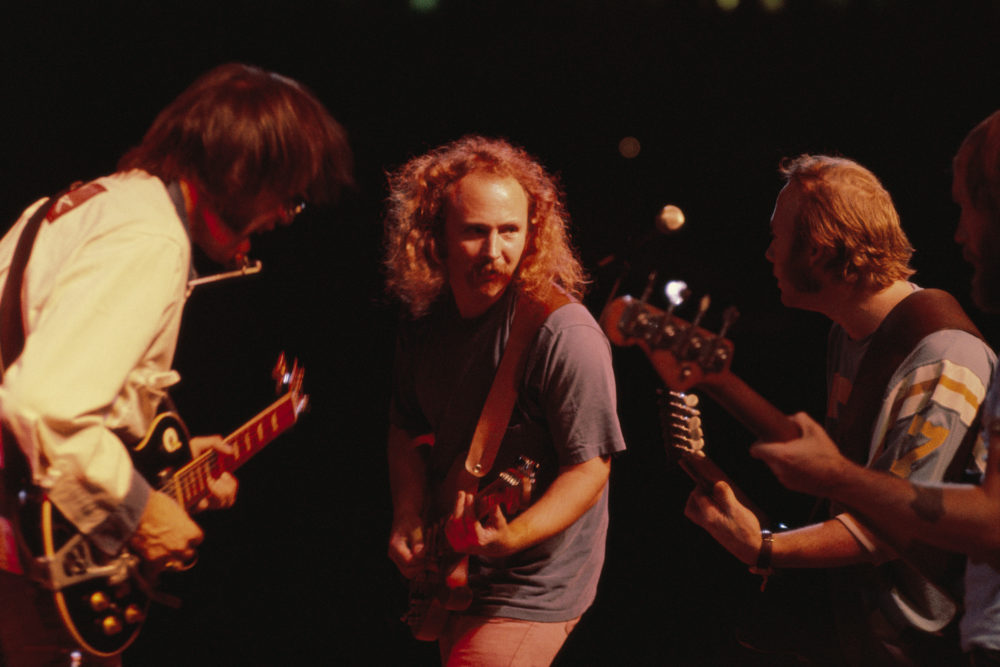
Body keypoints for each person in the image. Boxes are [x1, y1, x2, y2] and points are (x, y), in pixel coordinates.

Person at [0, 63, 353, 666]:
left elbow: (53, 372)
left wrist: (157, 457)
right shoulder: (151, 239)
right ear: (240, 172)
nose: (287, 217)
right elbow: (41, 403)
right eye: (288, 195)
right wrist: (139, 513)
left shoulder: (98, 203)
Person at [682, 154, 996, 666]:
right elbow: (850, 483)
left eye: (777, 238)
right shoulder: (848, 335)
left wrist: (764, 549)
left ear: (820, 251)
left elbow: (892, 526)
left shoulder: (943, 358)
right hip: (873, 627)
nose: (767, 253)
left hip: (939, 641)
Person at [383, 135, 626, 666]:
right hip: (455, 568)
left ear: (532, 234)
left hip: (532, 583)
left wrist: (512, 538)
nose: (495, 253)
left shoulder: (563, 333)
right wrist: (406, 511)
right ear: (435, 238)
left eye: (509, 232)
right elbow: (404, 427)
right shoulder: (425, 319)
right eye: (474, 233)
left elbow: (590, 468)